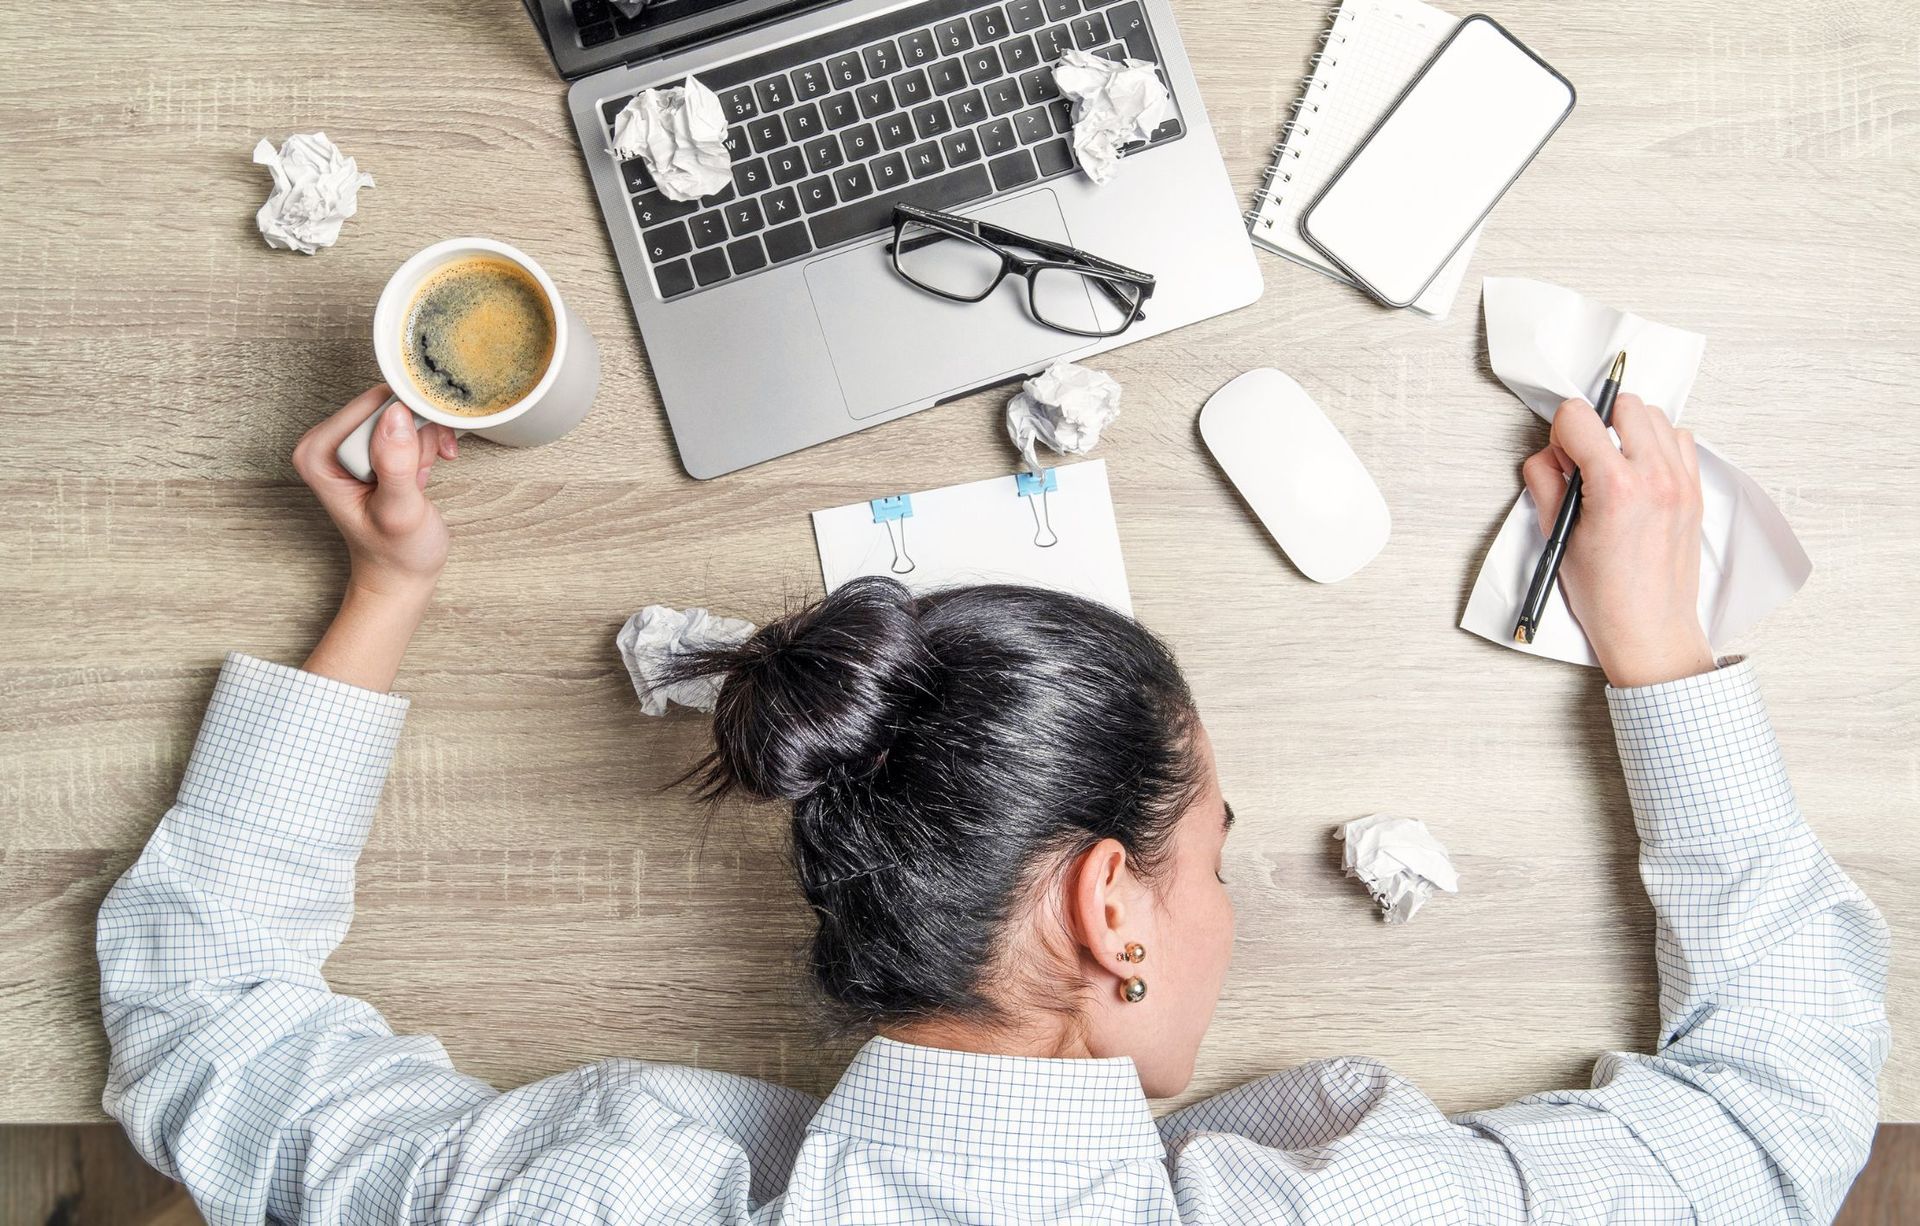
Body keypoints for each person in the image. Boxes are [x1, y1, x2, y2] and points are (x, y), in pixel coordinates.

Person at [98, 385, 1888, 1225]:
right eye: (1213, 857)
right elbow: (1784, 1108)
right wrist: (1656, 643)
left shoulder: (587, 1201)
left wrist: (388, 590)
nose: (1227, 907)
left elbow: (202, 1020)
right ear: (1110, 909)